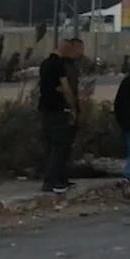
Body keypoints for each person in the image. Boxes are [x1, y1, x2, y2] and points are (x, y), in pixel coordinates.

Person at [36, 35, 82, 194]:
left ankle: (54, 179)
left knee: (50, 145)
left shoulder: (45, 64)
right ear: (66, 49)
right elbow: (66, 88)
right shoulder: (59, 65)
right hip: (58, 110)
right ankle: (53, 180)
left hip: (45, 109)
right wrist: (73, 108)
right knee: (60, 147)